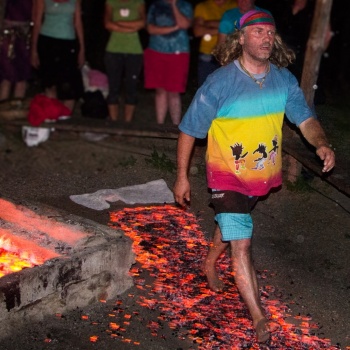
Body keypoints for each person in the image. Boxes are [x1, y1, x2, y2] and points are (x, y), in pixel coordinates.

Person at [173, 9, 335, 344]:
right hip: (226, 174)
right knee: (243, 243)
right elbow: (189, 130)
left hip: (261, 175)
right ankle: (259, 317)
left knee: (233, 223)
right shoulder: (220, 82)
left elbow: (304, 117)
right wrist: (182, 177)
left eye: (269, 32)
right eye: (257, 31)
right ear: (242, 37)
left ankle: (209, 261)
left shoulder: (283, 79)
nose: (265, 37)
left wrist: (321, 143)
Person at [144, 0, 192, 125]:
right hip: (156, 51)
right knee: (160, 90)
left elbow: (184, 24)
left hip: (178, 52)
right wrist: (173, 28)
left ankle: (176, 127)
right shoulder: (155, 5)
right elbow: (150, 29)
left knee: (174, 92)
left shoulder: (184, 5)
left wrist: (174, 5)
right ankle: (159, 125)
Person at [31, 0, 85, 112]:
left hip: (68, 42)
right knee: (50, 83)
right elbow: (37, 22)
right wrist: (34, 50)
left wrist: (82, 49)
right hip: (48, 42)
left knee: (70, 84)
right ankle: (51, 118)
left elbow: (78, 23)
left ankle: (64, 118)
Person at [104, 0, 145, 122]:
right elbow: (107, 24)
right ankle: (114, 124)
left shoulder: (138, 2)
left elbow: (142, 23)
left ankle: (128, 124)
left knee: (131, 89)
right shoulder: (111, 2)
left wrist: (118, 24)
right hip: (113, 49)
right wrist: (131, 27)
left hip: (134, 50)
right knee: (113, 88)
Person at [193, 0, 237, 86]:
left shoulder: (235, 5)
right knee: (206, 89)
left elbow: (239, 27)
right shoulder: (202, 6)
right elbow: (197, 31)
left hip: (230, 55)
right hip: (207, 55)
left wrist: (208, 23)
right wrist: (225, 28)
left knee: (228, 90)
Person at [0, 0, 34, 102]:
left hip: (24, 35)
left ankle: (17, 108)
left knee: (21, 76)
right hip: (8, 34)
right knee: (7, 75)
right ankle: (3, 108)